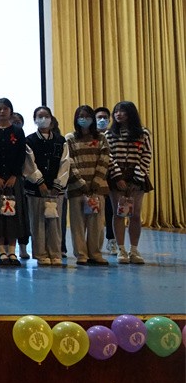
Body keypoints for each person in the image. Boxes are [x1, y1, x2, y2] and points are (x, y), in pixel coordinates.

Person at [106, 101, 152, 264]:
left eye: (122, 111)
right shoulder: (109, 134)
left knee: (135, 214)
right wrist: (118, 177)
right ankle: (121, 249)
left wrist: (137, 177)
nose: (118, 114)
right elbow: (109, 156)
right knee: (118, 213)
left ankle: (134, 249)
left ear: (130, 113)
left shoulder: (143, 133)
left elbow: (147, 154)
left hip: (137, 176)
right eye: (116, 111)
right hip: (116, 177)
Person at [23, 107, 70, 266]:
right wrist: (40, 182)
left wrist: (57, 185)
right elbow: (29, 164)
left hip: (56, 190)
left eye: (46, 116)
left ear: (51, 118)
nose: (43, 119)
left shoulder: (61, 140)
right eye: (40, 116)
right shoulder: (29, 140)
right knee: (38, 223)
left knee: (55, 223)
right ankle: (41, 254)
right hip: (36, 190)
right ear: (35, 120)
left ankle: (55, 253)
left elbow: (65, 163)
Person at [0, 98, 27, 266]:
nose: (2, 111)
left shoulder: (18, 131)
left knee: (13, 214)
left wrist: (15, 176)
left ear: (11, 111)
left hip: (13, 180)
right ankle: (1, 251)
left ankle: (12, 251)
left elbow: (21, 155)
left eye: (5, 108)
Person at [65, 105, 110, 266]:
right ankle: (81, 254)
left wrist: (96, 182)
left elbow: (104, 160)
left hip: (97, 188)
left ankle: (95, 254)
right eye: (81, 116)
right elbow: (69, 161)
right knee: (78, 224)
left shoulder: (101, 138)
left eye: (87, 116)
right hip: (77, 188)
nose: (84, 119)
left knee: (96, 223)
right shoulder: (70, 138)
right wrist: (81, 183)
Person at [94, 106, 117, 253]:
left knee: (111, 211)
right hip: (93, 179)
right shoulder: (90, 136)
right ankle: (93, 243)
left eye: (105, 117)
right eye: (99, 117)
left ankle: (112, 240)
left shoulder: (114, 136)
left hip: (110, 178)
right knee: (92, 212)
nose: (102, 120)